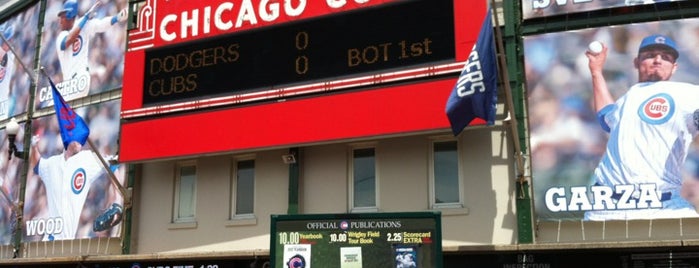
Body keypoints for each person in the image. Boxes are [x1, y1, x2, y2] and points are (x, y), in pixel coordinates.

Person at [584, 34, 699, 220]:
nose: (658, 60)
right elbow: (605, 116)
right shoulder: (626, 99)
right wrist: (596, 72)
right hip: (607, 207)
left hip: (662, 204)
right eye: (650, 55)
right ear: (636, 62)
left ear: (674, 67)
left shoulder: (687, 93)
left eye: (666, 57)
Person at [29, 137, 122, 241]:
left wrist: (117, 202)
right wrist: (33, 146)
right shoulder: (52, 163)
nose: (80, 139)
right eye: (76, 135)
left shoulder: (86, 159)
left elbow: (113, 164)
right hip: (49, 240)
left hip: (68, 241)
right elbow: (37, 164)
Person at [55, 0, 127, 99]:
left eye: (63, 16)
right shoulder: (61, 36)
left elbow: (100, 24)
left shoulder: (83, 24)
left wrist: (117, 17)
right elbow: (67, 42)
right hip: (68, 85)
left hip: (81, 80)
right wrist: (85, 18)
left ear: (69, 15)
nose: (60, 21)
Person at [0, 22, 15, 121]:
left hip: (2, 108)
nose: (10, 41)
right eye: (8, 40)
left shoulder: (10, 55)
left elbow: (3, 56)